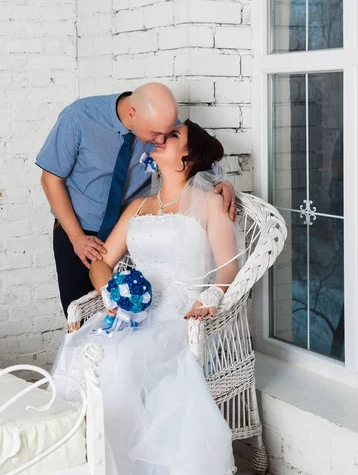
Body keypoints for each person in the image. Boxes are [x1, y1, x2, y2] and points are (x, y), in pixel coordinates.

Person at [52, 120, 244, 475]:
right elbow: (101, 262)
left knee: (122, 360)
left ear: (188, 156)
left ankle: (121, 464)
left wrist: (213, 296)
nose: (159, 140)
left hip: (179, 314)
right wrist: (111, 292)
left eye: (172, 136)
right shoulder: (139, 206)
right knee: (83, 348)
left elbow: (228, 268)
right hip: (132, 309)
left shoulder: (211, 202)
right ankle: (85, 456)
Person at [36, 83, 235, 316]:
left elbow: (200, 158)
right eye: (156, 135)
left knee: (138, 309)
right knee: (81, 317)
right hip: (79, 230)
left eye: (168, 133)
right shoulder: (78, 118)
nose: (160, 140)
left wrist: (224, 183)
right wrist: (77, 237)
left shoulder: (160, 123)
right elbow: (50, 180)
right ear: (132, 114)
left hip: (135, 228)